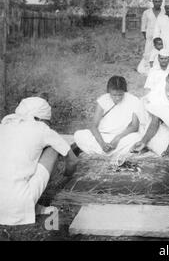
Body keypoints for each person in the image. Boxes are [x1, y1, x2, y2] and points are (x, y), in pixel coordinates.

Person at [0, 97, 79, 225]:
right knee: (52, 148)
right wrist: (66, 177)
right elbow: (73, 161)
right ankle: (31, 205)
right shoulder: (42, 129)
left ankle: (31, 204)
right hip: (16, 205)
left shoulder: (3, 126)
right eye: (48, 122)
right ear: (41, 119)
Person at [73, 76, 145, 165]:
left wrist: (117, 138)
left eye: (120, 95)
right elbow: (94, 126)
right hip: (103, 137)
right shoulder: (103, 100)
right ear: (109, 92)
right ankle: (114, 153)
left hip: (122, 137)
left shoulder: (134, 100)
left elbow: (134, 126)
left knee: (137, 137)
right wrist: (102, 144)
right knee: (78, 135)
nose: (117, 98)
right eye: (114, 95)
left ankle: (103, 153)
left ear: (125, 91)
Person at [137, 0, 164, 75]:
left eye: (159, 1)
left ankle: (159, 68)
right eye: (155, 1)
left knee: (160, 52)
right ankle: (147, 68)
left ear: (161, 2)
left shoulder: (164, 12)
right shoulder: (147, 12)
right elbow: (143, 27)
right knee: (148, 53)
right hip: (150, 37)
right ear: (153, 2)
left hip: (161, 37)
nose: (157, 3)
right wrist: (147, 37)